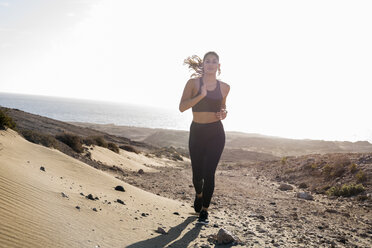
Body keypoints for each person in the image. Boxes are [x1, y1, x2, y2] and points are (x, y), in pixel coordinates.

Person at [179, 51, 230, 224]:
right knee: (197, 175)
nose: (210, 64)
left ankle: (205, 211)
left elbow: (223, 108)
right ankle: (199, 195)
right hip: (197, 132)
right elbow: (182, 107)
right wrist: (200, 95)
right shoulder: (193, 83)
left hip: (216, 133)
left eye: (214, 61)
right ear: (203, 65)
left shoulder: (224, 87)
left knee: (209, 173)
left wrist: (224, 113)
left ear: (218, 66)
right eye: (207, 61)